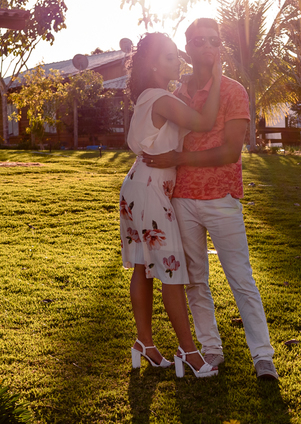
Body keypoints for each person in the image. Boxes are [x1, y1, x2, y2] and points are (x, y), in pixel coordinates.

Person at [142, 17, 278, 381]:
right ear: (188, 48)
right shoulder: (176, 95)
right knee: (195, 280)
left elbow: (231, 151)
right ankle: (211, 348)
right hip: (182, 198)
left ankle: (263, 355)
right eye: (199, 40)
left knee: (240, 277)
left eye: (214, 40)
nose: (207, 46)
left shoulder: (233, 91)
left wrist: (179, 159)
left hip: (221, 197)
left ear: (220, 48)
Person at [119, 32, 222, 379]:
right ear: (152, 64)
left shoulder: (151, 97)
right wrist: (219, 75)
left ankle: (145, 344)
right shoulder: (161, 99)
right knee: (172, 271)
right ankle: (188, 351)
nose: (176, 60)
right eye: (168, 56)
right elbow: (205, 122)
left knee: (142, 267)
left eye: (176, 55)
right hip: (150, 188)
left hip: (139, 183)